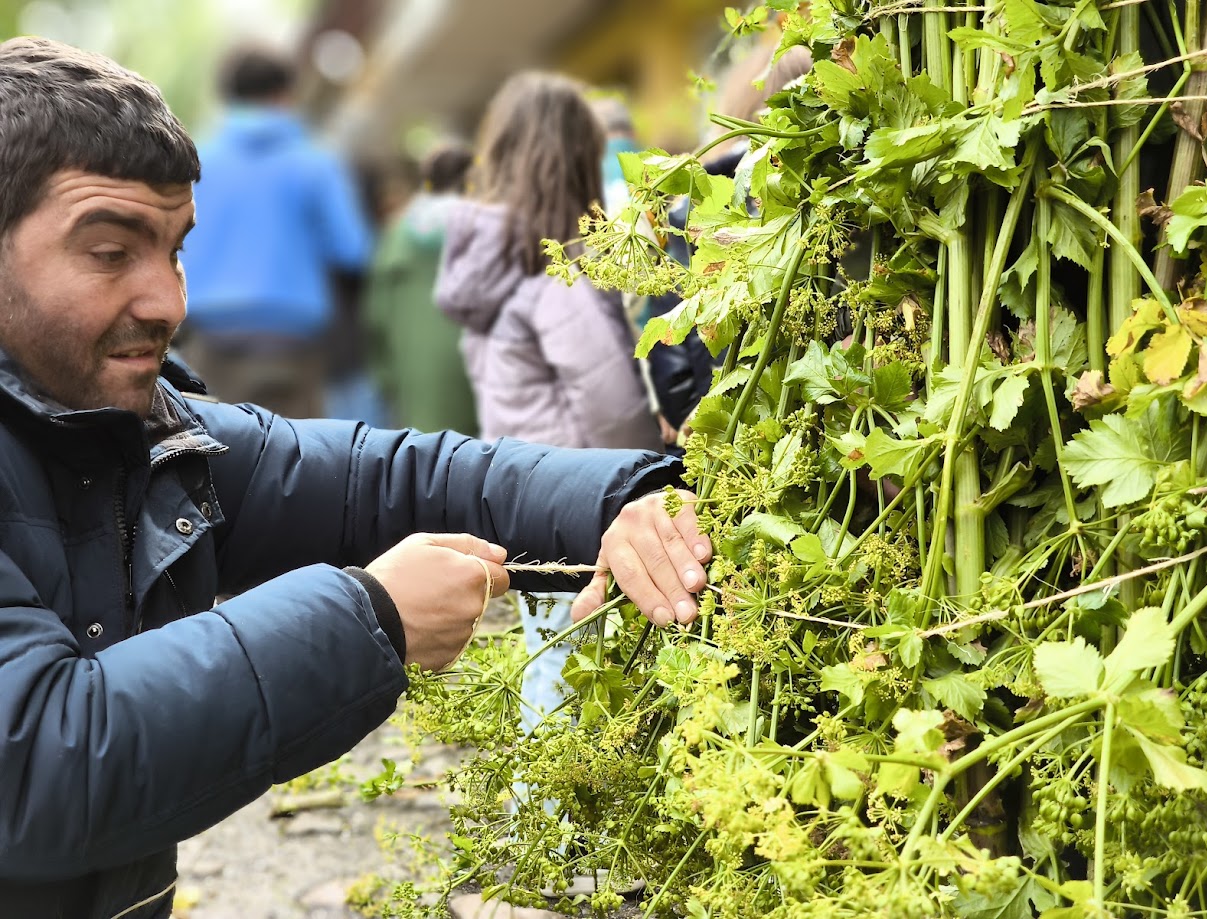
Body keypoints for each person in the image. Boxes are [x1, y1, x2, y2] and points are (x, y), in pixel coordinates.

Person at [0, 37, 709, 919]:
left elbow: (385, 478)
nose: (171, 302)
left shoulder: (143, 434)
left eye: (177, 249)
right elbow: (37, 762)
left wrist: (629, 496)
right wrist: (369, 614)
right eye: (110, 251)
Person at [434, 71, 664, 741]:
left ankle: (544, 812)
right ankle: (561, 832)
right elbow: (616, 406)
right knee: (574, 670)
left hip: (520, 487)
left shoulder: (489, 257)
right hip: (577, 497)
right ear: (574, 160)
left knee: (550, 660)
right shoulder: (549, 272)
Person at [177, 42, 373, 419]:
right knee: (297, 463)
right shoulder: (316, 162)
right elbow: (353, 249)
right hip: (294, 344)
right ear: (285, 95)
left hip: (210, 344)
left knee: (217, 462)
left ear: (228, 97)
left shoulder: (195, 162)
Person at [645, 40, 814, 445]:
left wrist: (701, 420)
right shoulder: (830, 204)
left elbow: (669, 363)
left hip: (730, 452)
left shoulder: (687, 217)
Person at [363, 143, 479, 433]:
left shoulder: (397, 233)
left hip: (415, 366)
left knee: (431, 460)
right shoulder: (487, 228)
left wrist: (385, 374)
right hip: (478, 360)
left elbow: (377, 313)